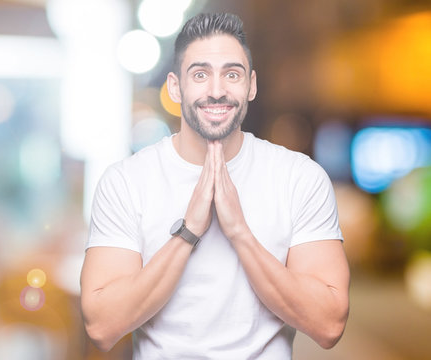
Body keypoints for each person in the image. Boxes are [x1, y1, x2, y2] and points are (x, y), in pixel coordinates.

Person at [80, 12, 349, 359]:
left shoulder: (300, 177)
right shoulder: (125, 182)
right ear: (176, 86)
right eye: (201, 74)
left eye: (232, 74)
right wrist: (188, 232)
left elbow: (329, 325)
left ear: (251, 85)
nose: (217, 90)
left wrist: (239, 233)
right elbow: (101, 327)